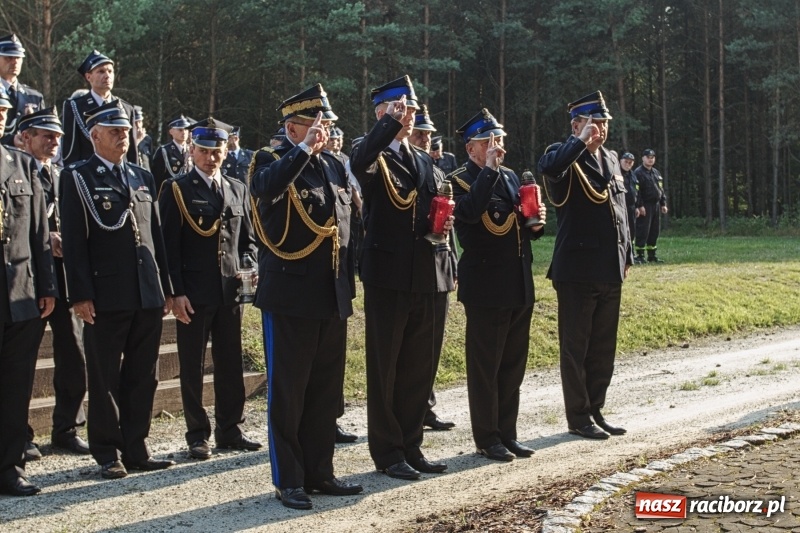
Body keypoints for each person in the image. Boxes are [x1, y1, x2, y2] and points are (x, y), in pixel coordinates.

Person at [250, 84, 361, 510]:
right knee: (289, 391)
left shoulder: (333, 166)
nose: (326, 131)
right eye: (318, 124)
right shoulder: (272, 159)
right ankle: (289, 479)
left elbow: (347, 228)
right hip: (290, 294)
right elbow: (265, 190)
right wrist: (302, 152)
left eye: (328, 124)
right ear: (294, 126)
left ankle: (321, 472)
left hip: (331, 293)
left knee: (323, 391)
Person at [60, 100, 174, 479]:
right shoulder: (78, 176)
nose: (122, 137)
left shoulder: (141, 176)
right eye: (114, 132)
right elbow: (75, 242)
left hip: (146, 291)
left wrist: (167, 288)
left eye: (125, 131)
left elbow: (156, 236)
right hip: (106, 293)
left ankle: (137, 446)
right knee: (105, 375)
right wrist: (79, 294)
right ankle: (108, 451)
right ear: (94, 135)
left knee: (144, 373)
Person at [349, 75, 456, 480]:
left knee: (418, 366)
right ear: (382, 113)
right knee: (387, 367)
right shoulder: (370, 151)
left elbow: (434, 207)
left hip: (427, 274)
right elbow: (359, 165)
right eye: (400, 109)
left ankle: (412, 444)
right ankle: (388, 451)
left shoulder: (424, 158)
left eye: (410, 109)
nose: (409, 116)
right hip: (389, 275)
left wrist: (444, 223)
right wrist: (387, 126)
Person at [159, 118, 261, 460]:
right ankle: (196, 434)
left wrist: (251, 266)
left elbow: (248, 240)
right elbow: (168, 247)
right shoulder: (176, 189)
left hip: (230, 290)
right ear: (192, 150)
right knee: (192, 366)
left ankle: (230, 429)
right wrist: (175, 292)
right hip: (194, 292)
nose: (211, 158)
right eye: (203, 151)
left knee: (230, 363)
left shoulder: (236, 188)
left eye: (216, 152)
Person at [537, 91, 632, 440]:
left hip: (609, 266)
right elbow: (549, 168)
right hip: (577, 269)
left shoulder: (610, 158)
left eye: (605, 123)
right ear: (577, 125)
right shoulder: (562, 155)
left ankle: (595, 408)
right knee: (576, 347)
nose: (602, 130)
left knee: (602, 346)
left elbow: (620, 213)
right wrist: (579, 141)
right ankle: (578, 417)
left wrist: (628, 255)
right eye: (595, 123)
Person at [451, 109, 545, 461]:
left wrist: (535, 224)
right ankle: (487, 436)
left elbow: (520, 224)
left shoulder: (508, 177)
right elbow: (471, 214)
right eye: (488, 141)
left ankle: (508, 432)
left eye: (500, 140)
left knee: (511, 366)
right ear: (471, 148)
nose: (497, 146)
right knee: (486, 367)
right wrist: (488, 171)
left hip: (518, 282)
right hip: (486, 286)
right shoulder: (459, 179)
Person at [18, 108, 90, 457]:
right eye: (46, 135)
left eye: (58, 137)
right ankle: (20, 433)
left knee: (73, 354)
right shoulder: (13, 171)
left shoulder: (63, 175)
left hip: (63, 277)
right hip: (27, 278)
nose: (53, 142)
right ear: (25, 137)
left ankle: (67, 428)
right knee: (22, 360)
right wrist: (48, 238)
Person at [0, 87, 57, 497]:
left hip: (19, 297)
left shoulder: (21, 164)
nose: (0, 115)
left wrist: (48, 286)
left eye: (3, 110)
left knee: (16, 385)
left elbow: (39, 235)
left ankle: (9, 466)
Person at [407, 104, 456, 432]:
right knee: (412, 346)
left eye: (428, 133)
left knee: (431, 347)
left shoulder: (439, 172)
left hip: (438, 264)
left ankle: (425, 405)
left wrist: (452, 265)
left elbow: (445, 227)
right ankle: (409, 409)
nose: (425, 138)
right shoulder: (400, 166)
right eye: (419, 132)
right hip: (412, 268)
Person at [61, 50, 138, 166]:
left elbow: (132, 153)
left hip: (121, 174)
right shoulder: (75, 106)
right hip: (90, 174)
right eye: (101, 72)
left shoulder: (126, 108)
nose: (107, 76)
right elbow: (70, 150)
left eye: (110, 71)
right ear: (88, 76)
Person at [0, 34, 44, 147]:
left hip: (26, 161)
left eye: (18, 58)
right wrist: (10, 140)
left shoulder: (34, 97)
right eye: (8, 58)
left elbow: (43, 133)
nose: (14, 62)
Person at [633, 149, 667, 263]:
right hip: (645, 206)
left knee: (654, 230)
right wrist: (640, 205)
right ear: (643, 158)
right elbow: (636, 192)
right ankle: (640, 255)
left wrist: (663, 203)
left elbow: (661, 189)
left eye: (652, 157)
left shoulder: (656, 173)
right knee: (643, 230)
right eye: (648, 157)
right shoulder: (638, 173)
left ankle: (652, 255)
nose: (650, 159)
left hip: (656, 205)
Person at [150, 115, 193, 192]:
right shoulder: (164, 151)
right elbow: (156, 178)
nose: (184, 132)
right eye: (180, 130)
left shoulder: (192, 150)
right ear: (171, 131)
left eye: (186, 130)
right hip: (170, 193)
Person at [619, 152, 639, 251]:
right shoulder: (617, 173)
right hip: (620, 206)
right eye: (626, 162)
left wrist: (638, 206)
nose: (628, 164)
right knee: (621, 230)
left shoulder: (633, 175)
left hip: (631, 207)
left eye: (630, 163)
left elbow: (637, 192)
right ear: (620, 161)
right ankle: (622, 251)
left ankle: (631, 252)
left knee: (632, 230)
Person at [134, 106, 153, 172]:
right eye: (135, 123)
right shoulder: (126, 138)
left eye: (140, 122)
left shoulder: (147, 139)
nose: (138, 125)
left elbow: (150, 162)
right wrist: (137, 140)